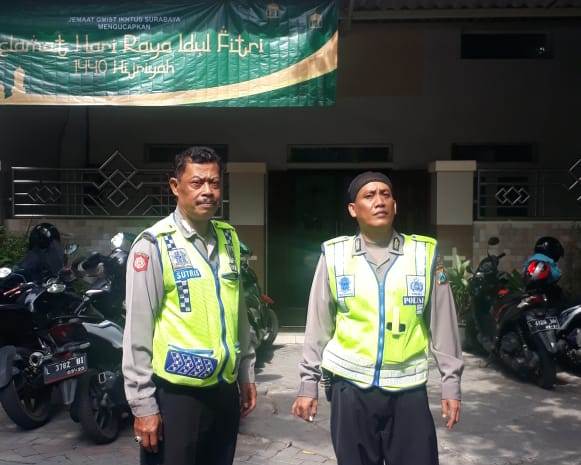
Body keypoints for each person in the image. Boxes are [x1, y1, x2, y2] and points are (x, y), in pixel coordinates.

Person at [292, 171, 464, 465]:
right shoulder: (334, 255)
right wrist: (309, 383)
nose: (379, 201)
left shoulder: (424, 253)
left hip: (408, 388)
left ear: (395, 205)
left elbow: (443, 324)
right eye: (369, 196)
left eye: (385, 194)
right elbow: (318, 325)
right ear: (353, 209)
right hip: (350, 387)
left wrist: (451, 384)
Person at [122, 146, 257, 465]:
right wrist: (143, 405)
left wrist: (246, 373)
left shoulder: (229, 239)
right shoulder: (154, 244)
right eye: (197, 183)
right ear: (175, 186)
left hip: (223, 392)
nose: (208, 191)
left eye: (214, 183)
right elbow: (137, 330)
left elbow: (238, 314)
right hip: (176, 396)